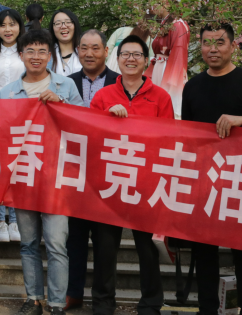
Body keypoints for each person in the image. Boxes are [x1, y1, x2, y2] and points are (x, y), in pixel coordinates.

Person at [180, 23, 242, 315]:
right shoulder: (192, 86)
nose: (213, 49)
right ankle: (207, 309)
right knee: (204, 252)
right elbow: (187, 135)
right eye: (207, 43)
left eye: (220, 42)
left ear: (233, 46)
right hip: (205, 180)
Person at [0, 30, 82, 315]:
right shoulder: (8, 92)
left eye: (42, 51)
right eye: (30, 51)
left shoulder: (65, 85)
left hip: (57, 177)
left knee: (57, 244)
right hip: (23, 176)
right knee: (29, 243)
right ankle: (33, 299)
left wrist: (62, 105)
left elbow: (84, 124)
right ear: (21, 55)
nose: (36, 56)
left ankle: (56, 304)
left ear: (50, 56)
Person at [88, 36, 173, 315]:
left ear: (146, 61)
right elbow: (90, 135)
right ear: (118, 59)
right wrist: (106, 118)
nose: (131, 59)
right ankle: (103, 303)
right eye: (125, 54)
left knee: (147, 249)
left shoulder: (161, 97)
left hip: (146, 182)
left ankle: (151, 303)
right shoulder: (103, 96)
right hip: (109, 180)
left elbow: (169, 140)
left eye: (137, 54)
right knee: (105, 247)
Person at [63, 29, 120, 309]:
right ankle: (72, 292)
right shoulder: (66, 83)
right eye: (83, 48)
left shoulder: (120, 83)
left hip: (110, 170)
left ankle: (103, 300)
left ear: (106, 51)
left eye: (95, 48)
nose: (89, 53)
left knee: (106, 241)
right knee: (73, 238)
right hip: (74, 170)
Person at [0, 8, 25, 242]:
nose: (8, 29)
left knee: (18, 167)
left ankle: (15, 219)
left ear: (20, 27)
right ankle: (0, 220)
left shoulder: (26, 52)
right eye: (3, 25)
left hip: (23, 117)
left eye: (12, 24)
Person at [148, 0, 189, 117]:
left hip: (169, 70)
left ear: (168, 2)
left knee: (167, 107)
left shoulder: (178, 25)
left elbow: (178, 57)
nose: (154, 4)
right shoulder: (166, 23)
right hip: (160, 68)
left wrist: (171, 86)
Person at [49, 9, 82, 76]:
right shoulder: (46, 54)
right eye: (58, 23)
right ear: (52, 28)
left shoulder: (85, 52)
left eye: (68, 22)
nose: (63, 26)